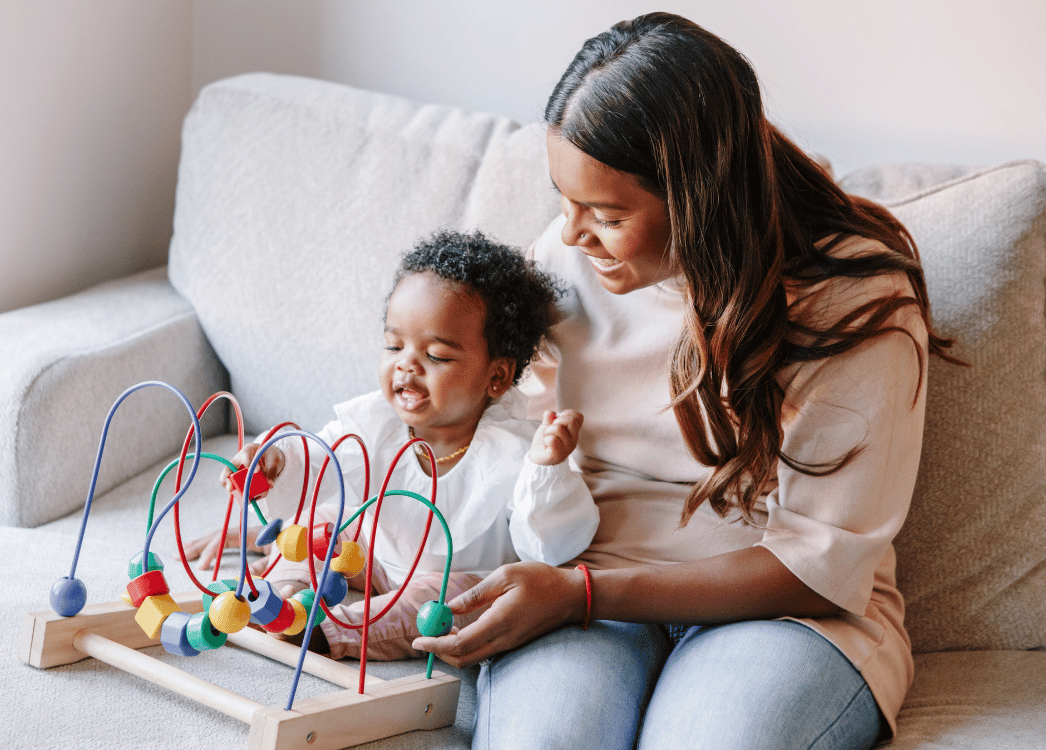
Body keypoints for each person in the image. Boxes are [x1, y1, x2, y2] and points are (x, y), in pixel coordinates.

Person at [411, 13, 960, 750]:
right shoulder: (572, 263)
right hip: (586, 576)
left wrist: (583, 593)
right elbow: (489, 425)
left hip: (787, 614)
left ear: (703, 199)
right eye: (565, 201)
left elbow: (817, 567)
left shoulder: (852, 298)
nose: (570, 234)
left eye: (606, 214)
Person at [185, 229, 598, 660]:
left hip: (450, 578)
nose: (406, 364)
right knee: (320, 522)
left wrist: (547, 469)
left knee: (446, 599)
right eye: (394, 345)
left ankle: (331, 632)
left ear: (496, 376)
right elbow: (319, 461)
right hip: (369, 552)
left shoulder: (513, 451)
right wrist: (274, 461)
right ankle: (284, 592)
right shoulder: (374, 423)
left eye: (436, 355)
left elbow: (547, 546)